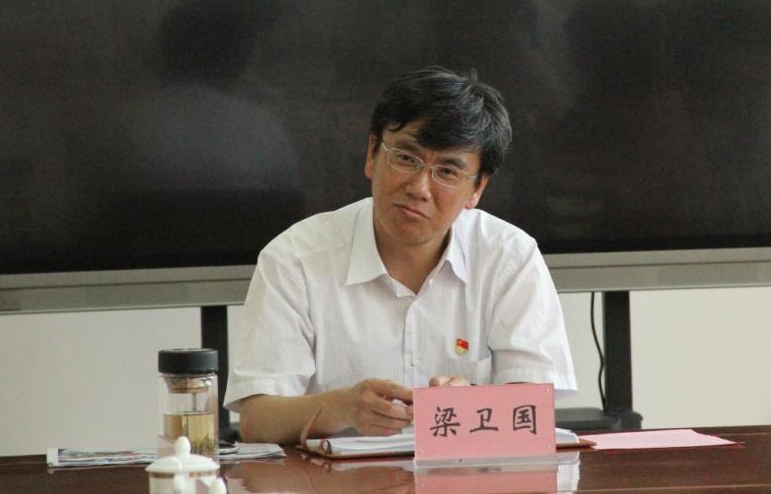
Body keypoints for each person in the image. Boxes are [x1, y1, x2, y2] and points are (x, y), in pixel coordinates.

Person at [225, 66, 577, 444]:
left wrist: (474, 404)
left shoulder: (509, 258)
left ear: (477, 189)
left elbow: (534, 411)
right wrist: (342, 407)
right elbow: (257, 421)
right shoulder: (295, 259)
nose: (419, 188)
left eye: (447, 171)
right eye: (406, 158)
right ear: (372, 154)